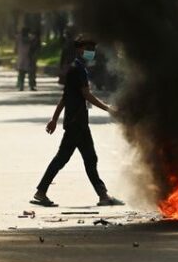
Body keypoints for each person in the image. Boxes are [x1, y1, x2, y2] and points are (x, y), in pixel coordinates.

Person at [32, 37, 124, 208]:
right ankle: (41, 192)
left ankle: (103, 195)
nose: (92, 52)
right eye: (89, 48)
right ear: (80, 49)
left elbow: (65, 97)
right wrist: (108, 108)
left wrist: (54, 118)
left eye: (93, 48)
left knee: (90, 158)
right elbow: (86, 94)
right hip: (76, 123)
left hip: (79, 123)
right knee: (62, 158)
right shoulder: (77, 70)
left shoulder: (77, 68)